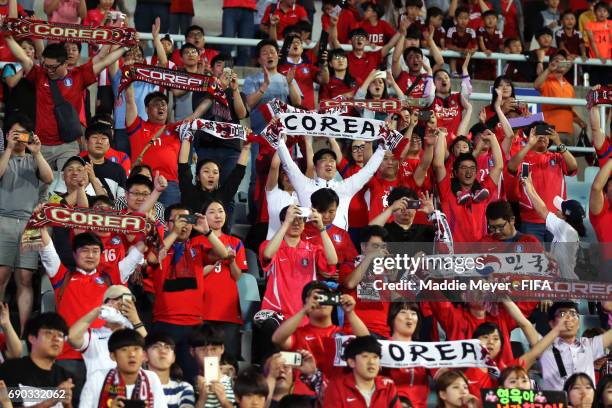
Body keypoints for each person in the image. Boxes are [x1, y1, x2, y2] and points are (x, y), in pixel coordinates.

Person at [8, 41, 129, 171]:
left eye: (53, 67)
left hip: (68, 145)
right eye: (46, 66)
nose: (49, 71)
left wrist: (125, 47)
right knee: (40, 187)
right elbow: (23, 58)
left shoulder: (79, 76)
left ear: (65, 63)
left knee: (69, 182)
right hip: (41, 145)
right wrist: (8, 37)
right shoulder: (39, 74)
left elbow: (104, 61)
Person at [150, 204, 228, 382]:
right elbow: (153, 259)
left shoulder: (197, 248)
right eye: (178, 220)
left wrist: (207, 232)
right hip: (165, 323)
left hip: (194, 325)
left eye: (187, 220)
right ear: (168, 224)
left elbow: (223, 254)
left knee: (193, 379)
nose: (183, 225)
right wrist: (175, 233)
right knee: (159, 379)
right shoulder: (159, 247)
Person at [0, 114, 53, 333]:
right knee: (1, 275)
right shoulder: (3, 157)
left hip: (30, 224)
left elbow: (49, 178)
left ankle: (22, 332)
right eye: (15, 134)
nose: (20, 138)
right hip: (3, 220)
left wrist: (38, 152)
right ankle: (2, 331)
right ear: (7, 135)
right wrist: (8, 149)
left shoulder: (34, 160)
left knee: (25, 277)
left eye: (24, 134)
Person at [277, 139, 386, 230]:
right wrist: (280, 141)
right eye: (324, 159)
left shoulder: (344, 187)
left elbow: (368, 171)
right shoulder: (305, 185)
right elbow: (289, 166)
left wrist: (382, 147)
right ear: (314, 167)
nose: (329, 163)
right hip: (311, 245)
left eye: (332, 160)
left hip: (340, 246)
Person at [271, 281, 369, 377]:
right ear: (306, 303)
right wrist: (304, 310)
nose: (320, 302)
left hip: (337, 390)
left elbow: (367, 343)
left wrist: (350, 312)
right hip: (305, 390)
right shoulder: (297, 334)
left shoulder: (344, 334)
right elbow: (277, 339)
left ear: (332, 302)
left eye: (325, 297)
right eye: (315, 298)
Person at [260, 205, 338, 319]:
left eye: (300, 219)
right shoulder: (270, 245)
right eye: (293, 219)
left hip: (306, 314)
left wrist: (321, 228)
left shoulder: (313, 249)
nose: (296, 223)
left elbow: (333, 260)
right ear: (283, 222)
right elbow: (267, 254)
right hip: (276, 312)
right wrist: (287, 222)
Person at [507, 122, 578, 243]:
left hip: (556, 219)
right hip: (531, 221)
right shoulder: (524, 158)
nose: (542, 137)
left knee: (558, 260)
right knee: (533, 260)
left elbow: (573, 166)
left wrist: (558, 142)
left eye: (546, 134)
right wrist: (529, 145)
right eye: (538, 134)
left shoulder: (557, 157)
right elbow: (511, 166)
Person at [433, 129, 504, 242]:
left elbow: (499, 166)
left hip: (479, 252)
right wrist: (441, 136)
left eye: (472, 169)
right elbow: (438, 165)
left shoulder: (482, 192)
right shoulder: (447, 191)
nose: (468, 172)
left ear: (476, 172)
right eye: (463, 168)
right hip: (454, 253)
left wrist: (493, 138)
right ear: (455, 172)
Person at [200, 199, 248, 361]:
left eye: (220, 211)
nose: (217, 215)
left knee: (228, 360)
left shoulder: (235, 242)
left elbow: (237, 276)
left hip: (228, 312)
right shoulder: (195, 242)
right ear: (203, 217)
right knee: (203, 359)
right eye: (212, 212)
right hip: (202, 311)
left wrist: (232, 260)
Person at [67, 285, 147, 376]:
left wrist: (136, 320)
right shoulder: (93, 336)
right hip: (100, 388)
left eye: (130, 304)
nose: (127, 308)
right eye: (123, 302)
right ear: (110, 302)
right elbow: (71, 337)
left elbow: (148, 350)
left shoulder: (134, 333)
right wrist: (98, 311)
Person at [79, 329, 168, 407]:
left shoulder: (151, 378)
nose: (132, 354)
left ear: (144, 355)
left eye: (136, 349)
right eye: (124, 350)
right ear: (113, 356)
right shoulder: (98, 378)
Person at [0, 313, 74, 405]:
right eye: (49, 333)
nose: (56, 339)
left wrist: (67, 404)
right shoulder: (11, 369)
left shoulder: (67, 378)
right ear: (32, 338)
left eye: (60, 335)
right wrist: (51, 401)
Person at [125, 87, 182, 208]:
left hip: (169, 184)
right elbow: (130, 100)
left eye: (163, 104)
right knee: (141, 221)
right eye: (155, 104)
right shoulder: (138, 126)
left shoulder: (175, 129)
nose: (161, 107)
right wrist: (128, 79)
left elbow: (195, 117)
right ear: (146, 109)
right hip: (143, 182)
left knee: (169, 223)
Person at [522, 176, 586, 279]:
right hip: (561, 280)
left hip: (566, 284)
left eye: (559, 209)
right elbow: (558, 258)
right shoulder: (569, 230)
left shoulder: (565, 229)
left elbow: (542, 210)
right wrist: (530, 184)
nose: (556, 210)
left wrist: (528, 187)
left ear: (565, 216)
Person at [540, 301, 612, 390]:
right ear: (552, 323)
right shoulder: (544, 347)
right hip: (557, 402)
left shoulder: (589, 345)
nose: (569, 318)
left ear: (579, 324)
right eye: (562, 314)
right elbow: (524, 324)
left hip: (588, 402)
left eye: (573, 314)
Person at [322, 335, 402, 407]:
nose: (371, 362)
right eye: (365, 356)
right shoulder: (336, 387)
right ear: (352, 362)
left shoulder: (388, 386)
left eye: (375, 357)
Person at [534, 51, 587, 144]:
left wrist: (579, 120)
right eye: (557, 61)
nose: (561, 62)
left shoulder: (569, 86)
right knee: (550, 158)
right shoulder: (547, 80)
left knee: (566, 158)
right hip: (549, 130)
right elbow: (536, 85)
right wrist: (548, 70)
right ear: (551, 64)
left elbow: (568, 109)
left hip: (568, 131)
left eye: (563, 60)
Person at [188, 324, 235, 408]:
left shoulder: (235, 383)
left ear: (222, 349)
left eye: (214, 349)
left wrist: (224, 401)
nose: (209, 354)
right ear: (192, 351)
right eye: (203, 349)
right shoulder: (188, 386)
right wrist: (201, 400)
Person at [144, 332, 196, 408]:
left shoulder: (183, 388)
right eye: (156, 346)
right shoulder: (139, 387)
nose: (163, 351)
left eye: (167, 347)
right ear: (144, 355)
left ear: (173, 357)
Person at [369, 187, 436, 244]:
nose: (405, 209)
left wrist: (432, 214)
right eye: (401, 204)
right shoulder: (384, 230)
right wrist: (390, 209)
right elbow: (368, 233)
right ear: (392, 207)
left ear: (416, 208)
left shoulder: (426, 231)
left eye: (410, 204)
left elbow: (444, 241)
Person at [81, 123, 127, 200]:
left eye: (104, 138)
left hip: (108, 212)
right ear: (86, 142)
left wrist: (92, 179)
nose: (99, 141)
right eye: (94, 137)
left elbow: (122, 203)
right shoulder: (75, 165)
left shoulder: (118, 170)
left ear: (109, 144)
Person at [220, 0, 256, 66]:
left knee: (245, 47)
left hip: (248, 8)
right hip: (230, 6)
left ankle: (240, 72)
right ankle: (225, 71)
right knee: (226, 45)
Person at [585, 2, 611, 85]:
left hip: (608, 61)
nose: (602, 13)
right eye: (599, 11)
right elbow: (592, 42)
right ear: (595, 13)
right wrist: (599, 57)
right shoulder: (589, 25)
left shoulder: (610, 23)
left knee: (607, 87)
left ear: (608, 14)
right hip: (594, 61)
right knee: (595, 86)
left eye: (604, 11)